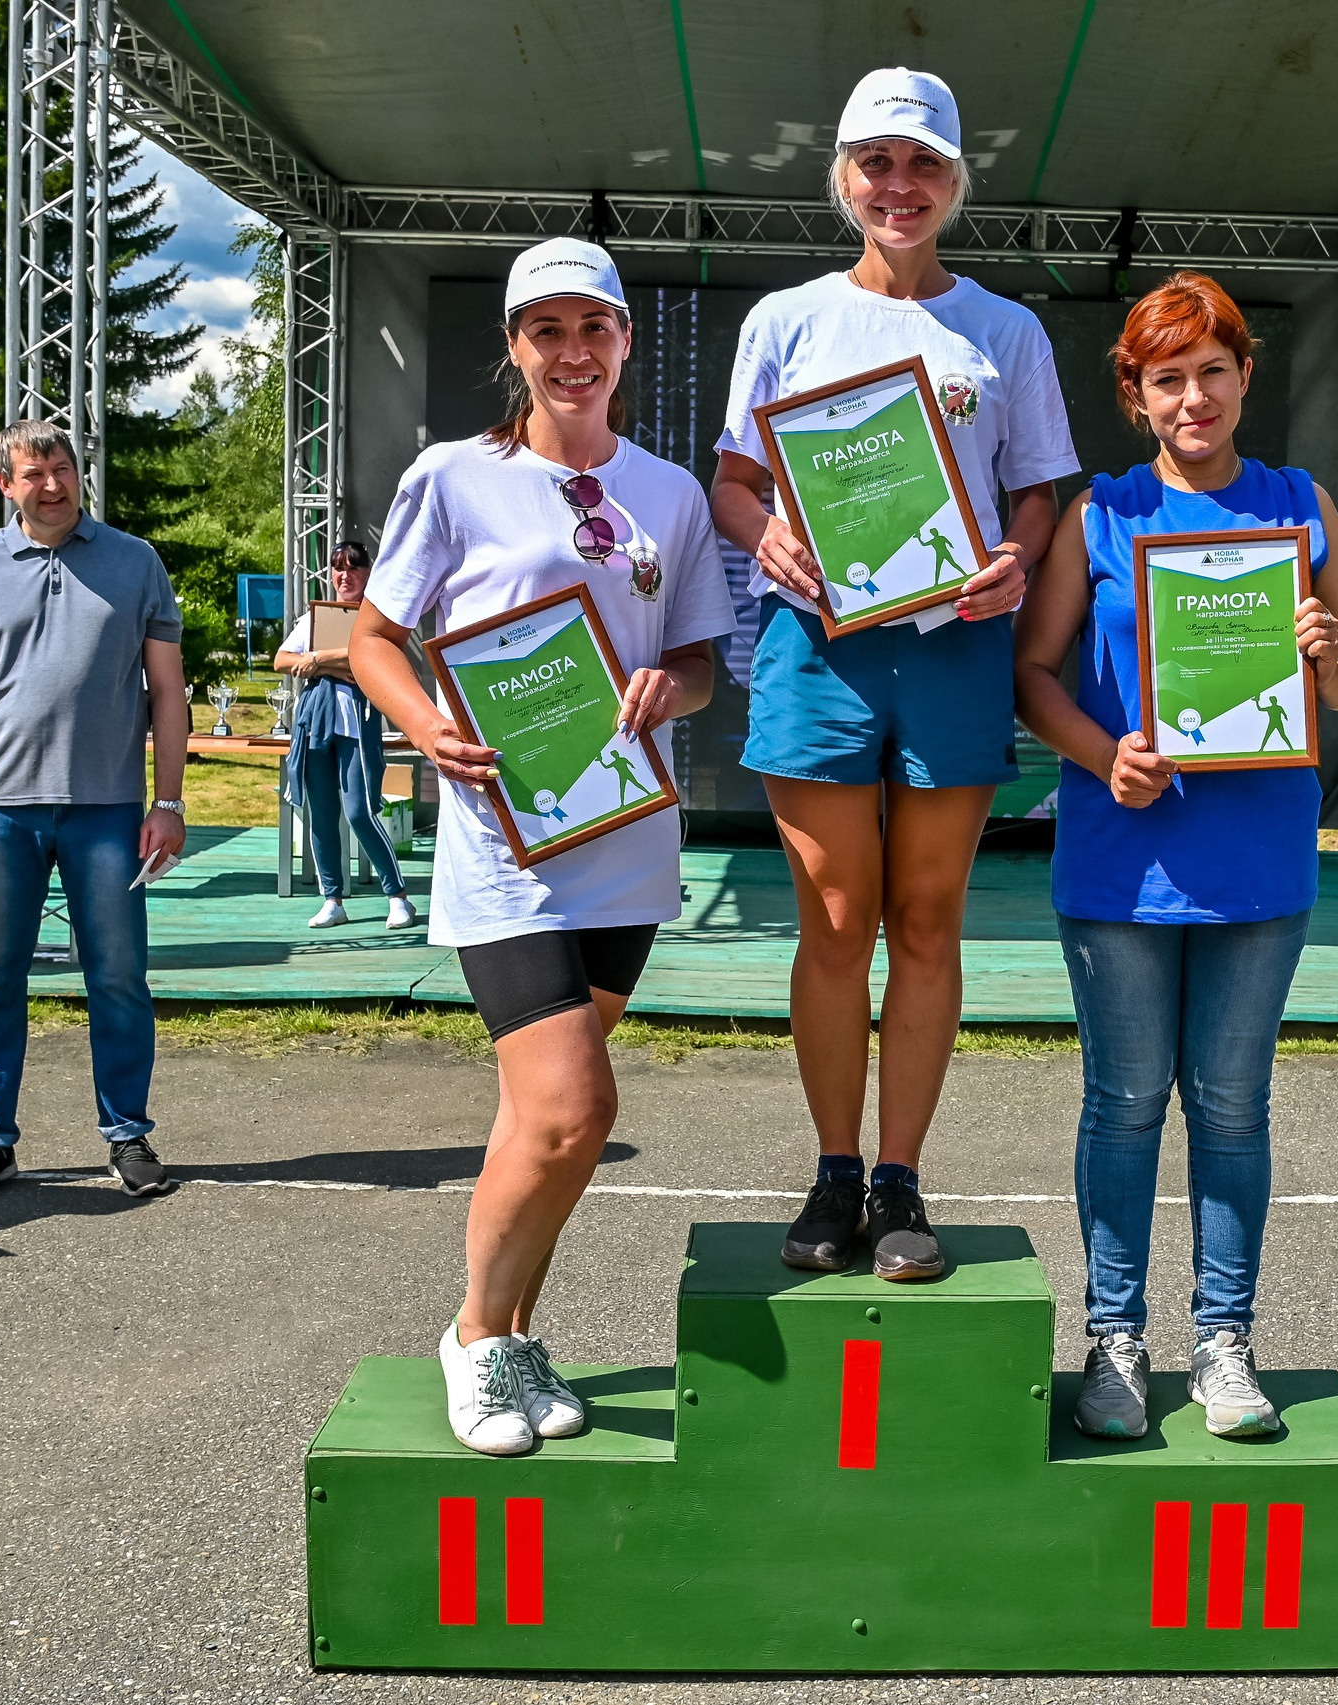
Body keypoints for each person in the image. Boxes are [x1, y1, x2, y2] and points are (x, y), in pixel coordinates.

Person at [348, 239, 734, 1457]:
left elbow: (702, 660)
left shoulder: (666, 493)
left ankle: (514, 1333)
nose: (572, 353)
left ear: (625, 340)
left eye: (594, 328)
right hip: (506, 843)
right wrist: (431, 731)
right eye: (545, 331)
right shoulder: (454, 477)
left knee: (535, 1125)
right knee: (575, 1110)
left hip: (621, 835)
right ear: (513, 348)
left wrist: (665, 693)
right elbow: (373, 638)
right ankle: (472, 1334)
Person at [710, 66, 1080, 1282]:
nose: (899, 185)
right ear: (843, 179)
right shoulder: (787, 320)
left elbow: (1037, 490)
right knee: (832, 919)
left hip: (955, 646)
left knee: (926, 920)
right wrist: (761, 530)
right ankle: (828, 1169)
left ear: (956, 182)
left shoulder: (1005, 330)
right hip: (815, 647)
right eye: (877, 161)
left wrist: (1015, 562)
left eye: (923, 164)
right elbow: (734, 478)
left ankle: (899, 1176)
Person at [1013, 272, 1338, 1440]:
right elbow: (1032, 674)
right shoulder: (1099, 514)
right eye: (1166, 378)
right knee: (1123, 1104)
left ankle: (1223, 1342)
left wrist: (1331, 653)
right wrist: (1099, 752)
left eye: (1212, 372)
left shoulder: (1299, 503)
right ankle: (1113, 1343)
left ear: (1243, 377)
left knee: (1231, 1107)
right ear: (1135, 393)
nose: (1193, 397)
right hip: (1123, 862)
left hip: (1259, 860)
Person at [0, 420, 191, 1203]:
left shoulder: (134, 560)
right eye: (34, 472)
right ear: (5, 485)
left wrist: (169, 800)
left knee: (117, 977)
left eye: (64, 468)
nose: (53, 484)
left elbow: (168, 692)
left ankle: (127, 1133)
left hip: (107, 809)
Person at [274, 542, 415, 930]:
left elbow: (367, 660)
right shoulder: (316, 618)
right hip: (315, 725)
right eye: (337, 568)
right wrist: (335, 666)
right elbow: (283, 659)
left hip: (357, 724)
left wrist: (319, 659)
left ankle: (397, 895)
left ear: (368, 573)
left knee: (360, 811)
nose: (344, 575)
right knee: (321, 814)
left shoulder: (375, 620)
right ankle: (332, 899)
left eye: (353, 567)